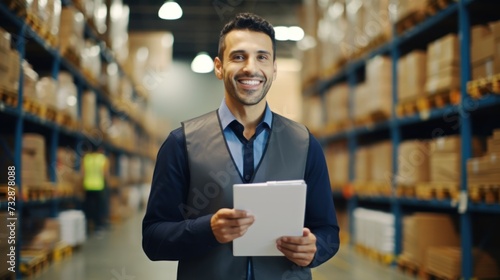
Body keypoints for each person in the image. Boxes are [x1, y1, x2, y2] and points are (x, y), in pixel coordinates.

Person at [142, 13, 340, 280]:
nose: (251, 68)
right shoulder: (181, 143)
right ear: (219, 66)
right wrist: (207, 230)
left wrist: (315, 249)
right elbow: (153, 238)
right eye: (238, 57)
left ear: (274, 68)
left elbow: (328, 230)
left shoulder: (304, 143)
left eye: (262, 57)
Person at [82, 146, 109, 233]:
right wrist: (107, 183)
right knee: (99, 207)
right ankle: (98, 226)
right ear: (99, 149)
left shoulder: (86, 158)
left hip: (88, 186)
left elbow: (82, 173)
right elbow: (105, 174)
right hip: (99, 186)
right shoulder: (103, 159)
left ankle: (88, 227)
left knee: (89, 206)